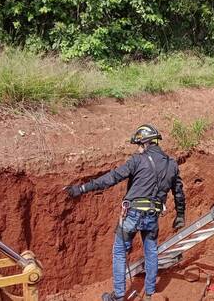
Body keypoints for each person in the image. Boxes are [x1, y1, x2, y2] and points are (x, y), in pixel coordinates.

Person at [65, 124, 186, 301]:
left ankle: (119, 296)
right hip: (152, 215)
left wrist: (82, 188)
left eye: (138, 145)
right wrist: (180, 215)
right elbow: (179, 192)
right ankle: (150, 293)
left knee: (120, 251)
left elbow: (112, 178)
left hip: (132, 214)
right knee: (151, 251)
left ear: (144, 143)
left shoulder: (138, 160)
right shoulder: (172, 164)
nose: (138, 149)